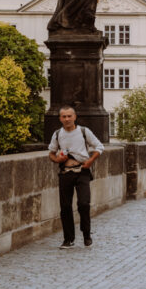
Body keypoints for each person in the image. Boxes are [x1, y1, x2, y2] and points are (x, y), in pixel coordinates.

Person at [48, 105, 104, 248]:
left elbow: (99, 147)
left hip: (82, 171)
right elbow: (51, 153)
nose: (67, 119)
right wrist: (57, 160)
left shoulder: (84, 131)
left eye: (69, 116)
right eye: (64, 116)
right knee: (65, 206)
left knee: (83, 204)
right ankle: (68, 239)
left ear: (75, 117)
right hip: (65, 172)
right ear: (60, 118)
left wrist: (90, 161)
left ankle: (86, 234)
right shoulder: (57, 134)